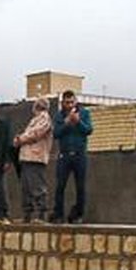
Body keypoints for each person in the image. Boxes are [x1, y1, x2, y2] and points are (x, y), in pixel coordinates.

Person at [52, 90, 93, 223]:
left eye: (71, 102)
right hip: (64, 155)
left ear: (75, 101)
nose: (69, 105)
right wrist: (67, 123)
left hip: (79, 155)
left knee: (80, 187)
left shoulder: (84, 113)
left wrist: (78, 122)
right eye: (66, 102)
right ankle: (58, 215)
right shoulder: (59, 116)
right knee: (60, 186)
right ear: (62, 103)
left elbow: (88, 130)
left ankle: (78, 214)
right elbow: (56, 133)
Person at [15, 97, 52, 222]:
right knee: (26, 188)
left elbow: (37, 133)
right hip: (27, 157)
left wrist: (21, 139)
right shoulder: (34, 119)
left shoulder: (44, 117)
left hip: (36, 157)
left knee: (37, 187)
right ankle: (27, 215)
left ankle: (42, 214)